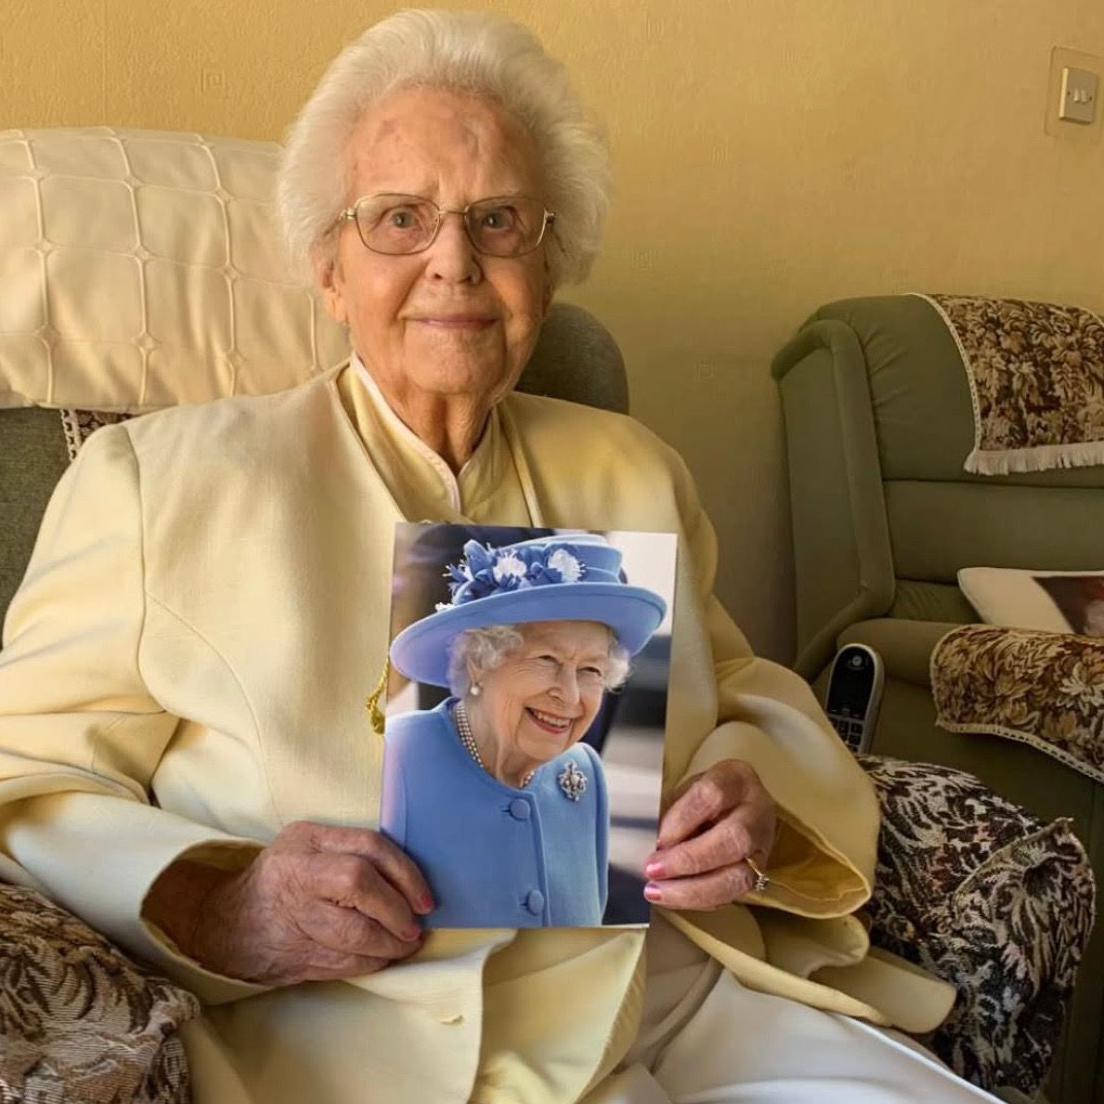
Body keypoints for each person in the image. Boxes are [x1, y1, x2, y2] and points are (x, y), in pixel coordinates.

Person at [0, 10, 1001, 1103]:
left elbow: (744, 687)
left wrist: (756, 802)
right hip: (361, 1035)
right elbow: (25, 773)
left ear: (550, 264)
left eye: (498, 220)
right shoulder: (158, 481)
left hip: (664, 986)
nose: (453, 262)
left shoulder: (636, 468)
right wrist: (225, 905)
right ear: (330, 269)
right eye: (399, 220)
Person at [381, 533, 666, 927]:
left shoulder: (584, 771)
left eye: (591, 670)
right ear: (480, 659)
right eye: (547, 659)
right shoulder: (398, 756)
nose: (569, 696)